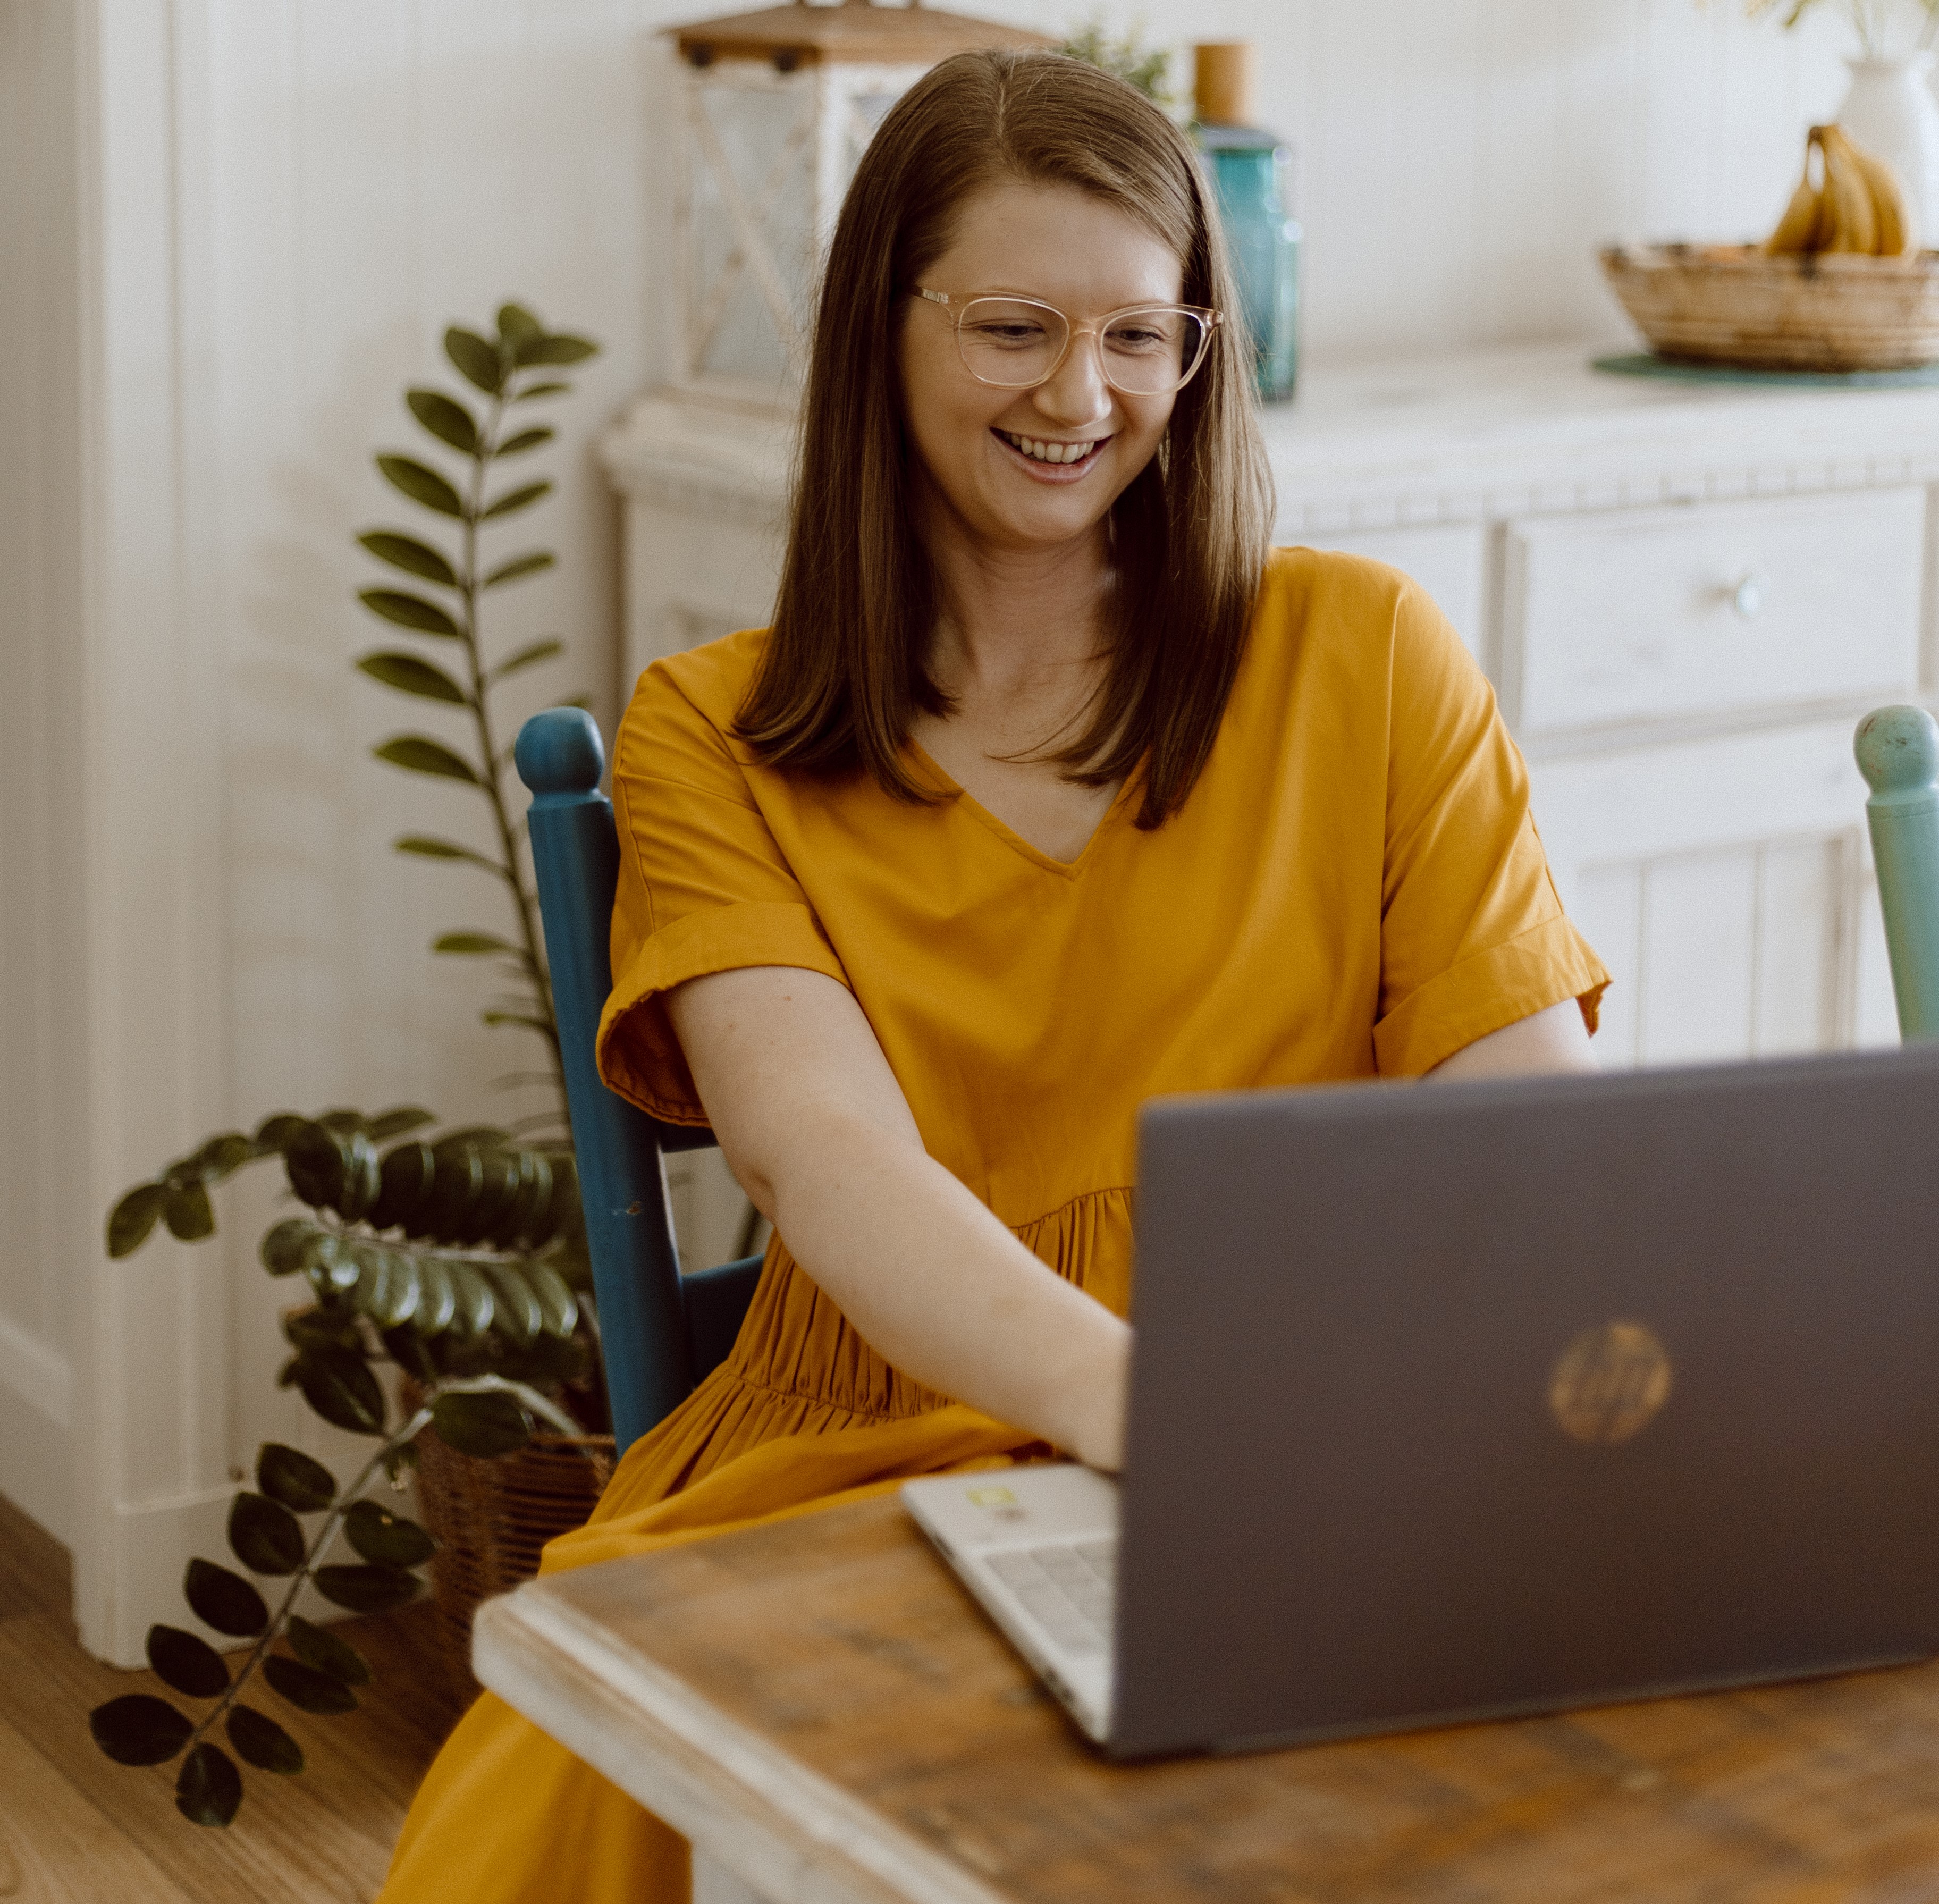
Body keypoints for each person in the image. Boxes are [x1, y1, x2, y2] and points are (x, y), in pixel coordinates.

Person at [380, 47, 1608, 1904]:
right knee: (602, 1794)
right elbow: (832, 1173)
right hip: (867, 1440)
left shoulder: (1369, 658)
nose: (1081, 394)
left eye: (1142, 335)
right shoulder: (712, 733)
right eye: (1015, 326)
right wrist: (1169, 1429)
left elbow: (1524, 1144)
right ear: (883, 329)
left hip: (1295, 1424)